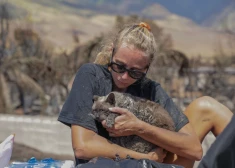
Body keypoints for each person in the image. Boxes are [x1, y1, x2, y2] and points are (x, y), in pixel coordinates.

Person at [58, 22, 233, 168]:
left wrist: (139, 127)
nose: (124, 77)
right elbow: (83, 147)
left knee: (207, 107)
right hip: (115, 164)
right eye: (119, 66)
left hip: (156, 163)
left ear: (146, 68)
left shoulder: (151, 89)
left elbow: (194, 150)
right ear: (112, 52)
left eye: (135, 72)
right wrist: (146, 159)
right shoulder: (92, 75)